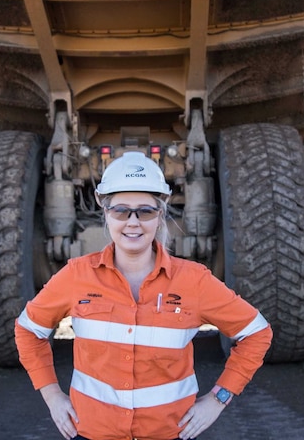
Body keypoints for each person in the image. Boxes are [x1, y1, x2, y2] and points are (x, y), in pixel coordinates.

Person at [15, 151, 273, 440]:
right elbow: (28, 330)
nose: (133, 222)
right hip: (92, 433)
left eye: (145, 211)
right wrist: (51, 396)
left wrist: (218, 399)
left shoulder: (194, 281)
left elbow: (256, 333)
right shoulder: (77, 275)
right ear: (106, 212)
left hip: (169, 433)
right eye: (121, 210)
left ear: (160, 214)